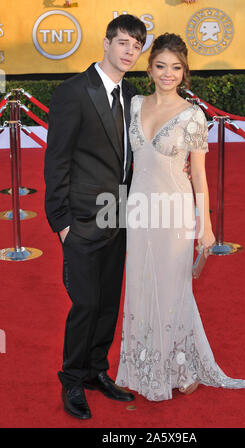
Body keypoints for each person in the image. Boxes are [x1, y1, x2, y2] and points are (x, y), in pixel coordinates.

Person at [115, 33, 245, 401]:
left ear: (184, 71)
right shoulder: (134, 104)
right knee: (141, 286)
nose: (168, 74)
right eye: (161, 66)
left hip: (175, 213)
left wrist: (204, 226)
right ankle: (140, 364)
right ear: (150, 68)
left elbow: (201, 178)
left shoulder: (193, 116)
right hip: (139, 210)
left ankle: (179, 367)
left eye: (176, 67)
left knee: (173, 288)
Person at [44, 15, 147, 420]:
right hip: (82, 221)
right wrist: (62, 222)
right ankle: (71, 379)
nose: (128, 52)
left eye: (135, 47)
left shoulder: (132, 95)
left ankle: (96, 372)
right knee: (84, 303)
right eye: (122, 43)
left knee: (106, 304)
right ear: (106, 43)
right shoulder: (74, 92)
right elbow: (57, 161)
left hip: (119, 218)